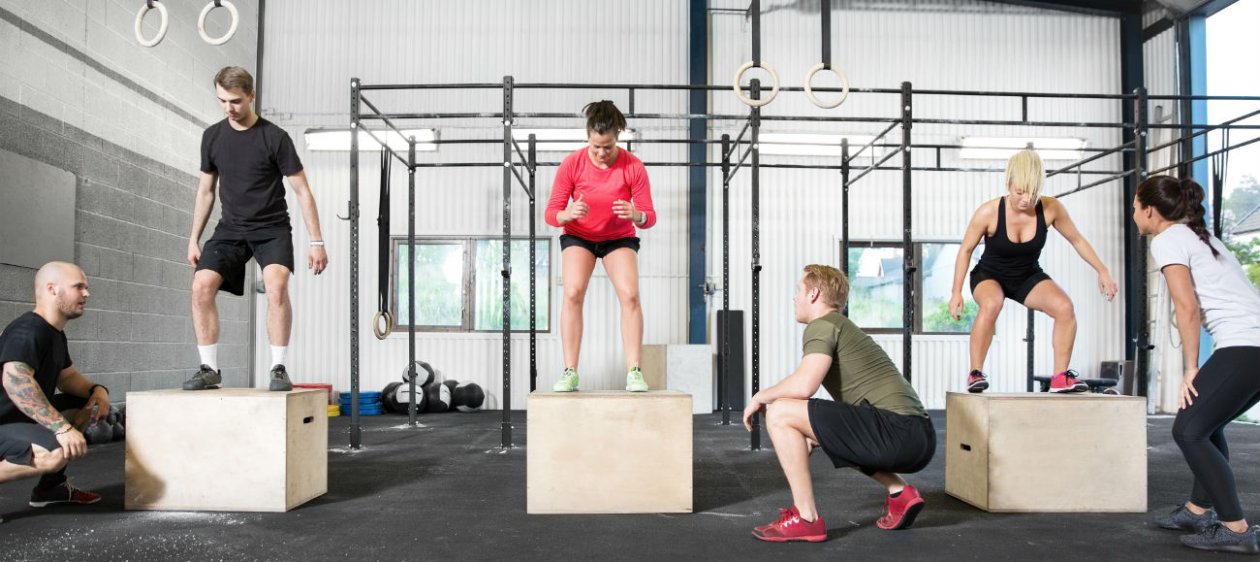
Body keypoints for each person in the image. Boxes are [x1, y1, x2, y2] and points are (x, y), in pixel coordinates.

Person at [743, 265, 935, 543]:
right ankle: (900, 492)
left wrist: (760, 396)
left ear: (814, 294)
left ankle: (806, 518)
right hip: (917, 437)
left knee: (781, 410)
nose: (794, 297)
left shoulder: (822, 325)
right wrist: (816, 434)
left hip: (897, 431)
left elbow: (804, 385)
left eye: (798, 291)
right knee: (821, 426)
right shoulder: (841, 326)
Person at [1135, 175, 1260, 554]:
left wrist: (1191, 367)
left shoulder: (1168, 238)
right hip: (1251, 346)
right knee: (1206, 422)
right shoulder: (1199, 236)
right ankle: (1196, 509)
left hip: (1246, 345)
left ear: (1149, 210)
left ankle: (1235, 529)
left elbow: (1186, 306)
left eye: (1135, 207)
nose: (1134, 214)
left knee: (1188, 431)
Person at [186, 66, 328, 392]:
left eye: (235, 101)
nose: (228, 108)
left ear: (251, 96)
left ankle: (278, 367)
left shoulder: (275, 138)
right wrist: (193, 238)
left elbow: (302, 191)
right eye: (222, 101)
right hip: (230, 229)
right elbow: (206, 191)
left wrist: (316, 241)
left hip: (272, 228)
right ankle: (208, 368)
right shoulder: (212, 137)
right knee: (200, 287)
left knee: (275, 286)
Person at [949, 149, 1117, 393]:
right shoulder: (989, 212)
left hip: (1027, 275)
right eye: (1020, 192)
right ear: (1008, 184)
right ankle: (975, 373)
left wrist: (1103, 270)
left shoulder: (1050, 208)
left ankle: (1060, 378)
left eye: (1033, 192)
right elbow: (965, 250)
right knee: (993, 303)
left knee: (1065, 308)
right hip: (989, 275)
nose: (1027, 199)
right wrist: (956, 292)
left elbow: (1077, 240)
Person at [544, 100, 656, 392]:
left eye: (607, 146)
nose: (602, 153)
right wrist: (566, 215)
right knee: (572, 293)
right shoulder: (572, 164)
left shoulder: (633, 166)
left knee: (630, 295)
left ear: (617, 136)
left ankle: (633, 371)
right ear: (588, 137)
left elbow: (649, 216)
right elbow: (551, 212)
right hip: (579, 235)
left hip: (618, 237)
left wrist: (637, 215)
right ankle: (570, 371)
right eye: (595, 146)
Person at [0, 262, 105, 513]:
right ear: (52, 289)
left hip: (18, 422)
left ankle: (51, 488)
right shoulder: (28, 330)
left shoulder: (54, 333)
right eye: (78, 287)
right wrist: (61, 427)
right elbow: (15, 380)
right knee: (57, 451)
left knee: (84, 404)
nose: (86, 294)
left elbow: (67, 379)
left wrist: (98, 391)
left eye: (86, 288)